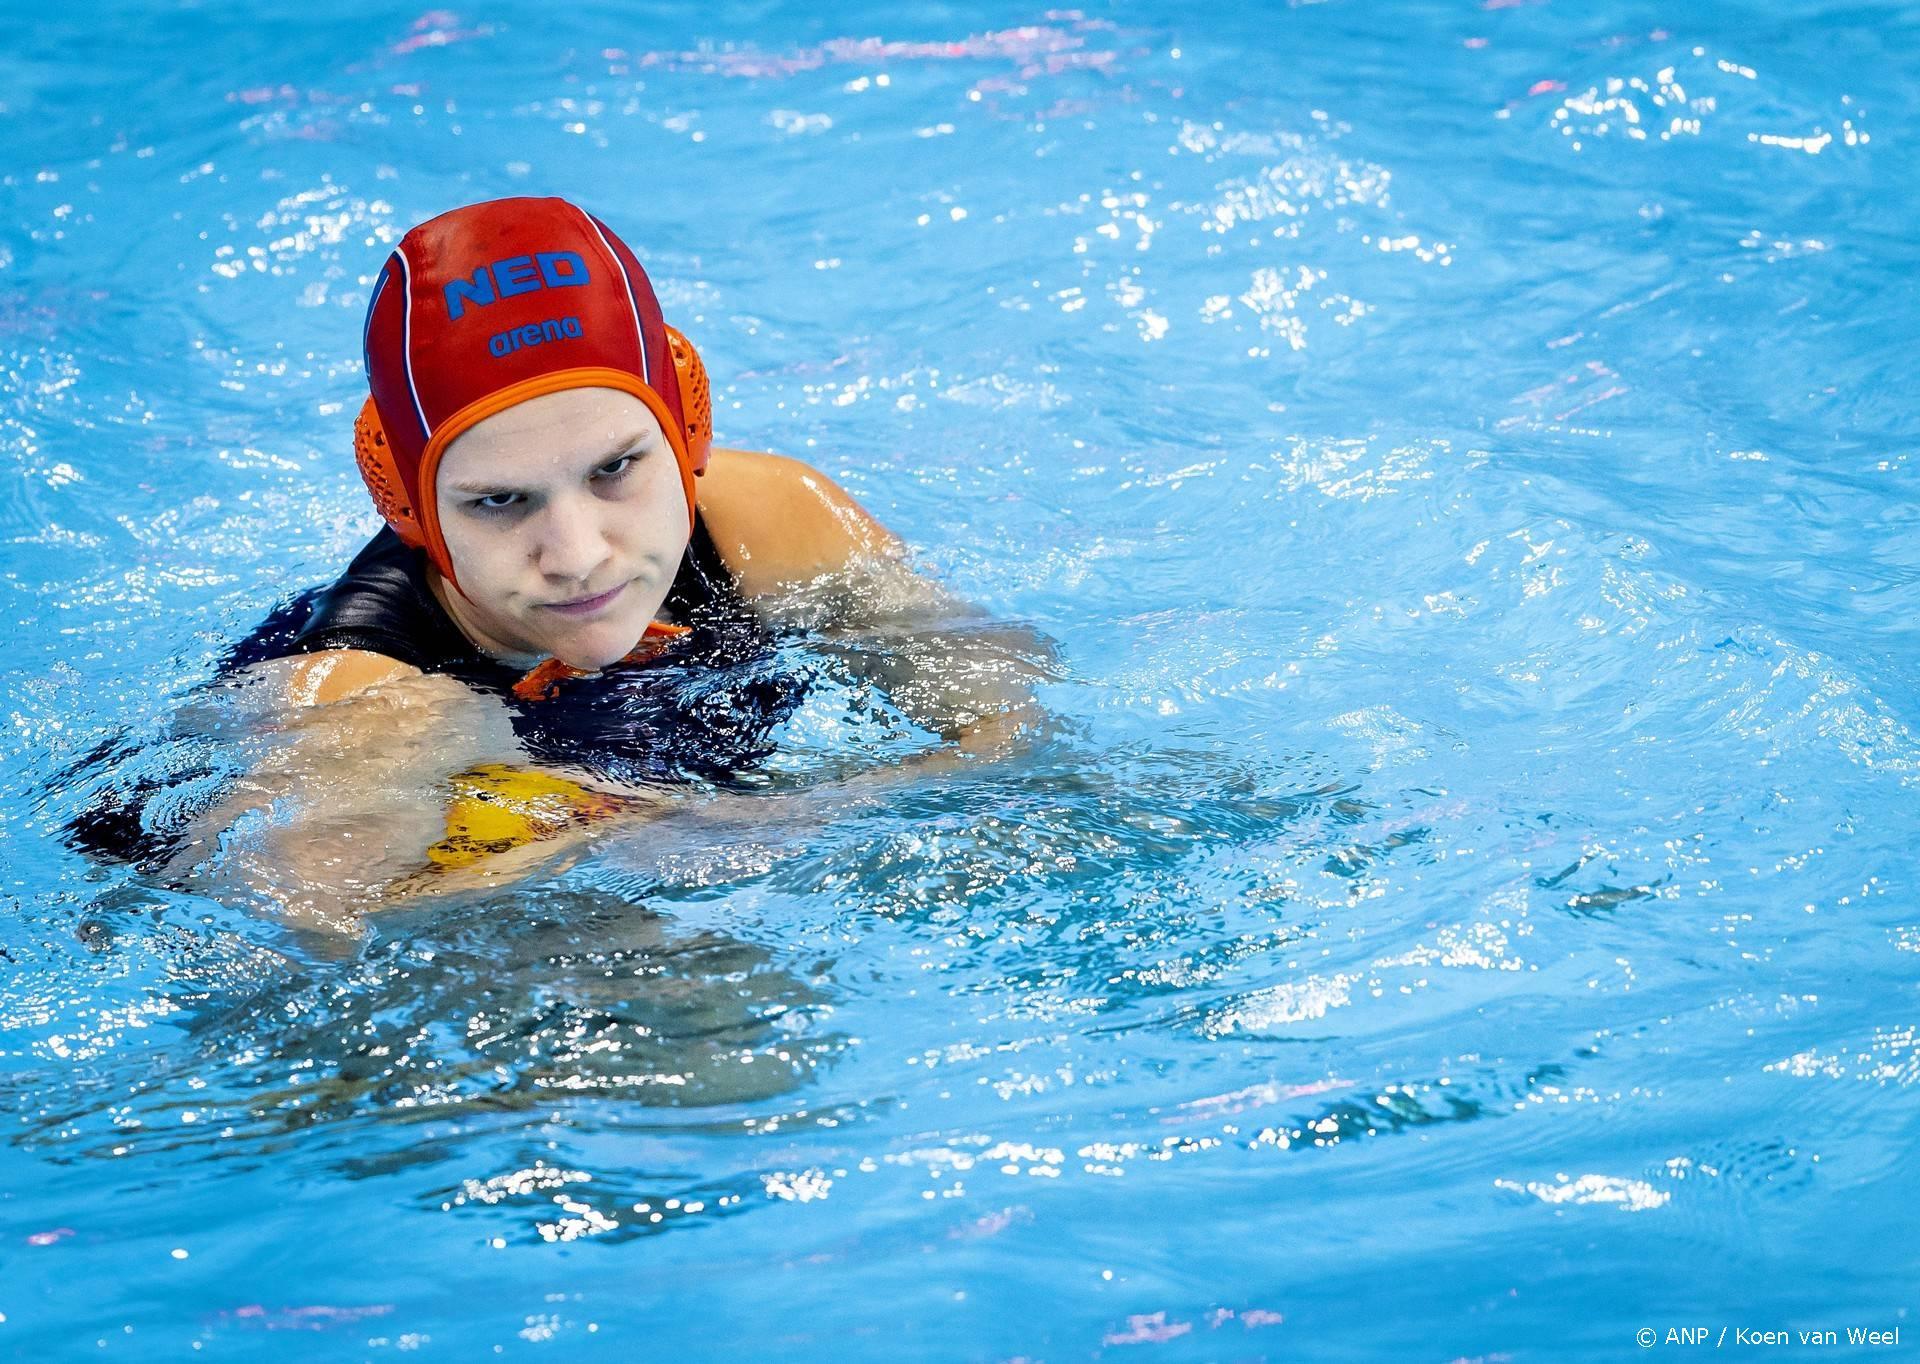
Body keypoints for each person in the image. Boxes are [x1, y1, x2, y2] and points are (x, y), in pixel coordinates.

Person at [116, 196, 1045, 931]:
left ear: (686, 430)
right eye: (498, 500)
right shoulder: (373, 704)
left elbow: (1015, 728)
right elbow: (317, 939)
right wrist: (623, 838)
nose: (579, 555)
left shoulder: (771, 524)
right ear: (409, 505)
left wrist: (790, 818)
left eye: (615, 470)